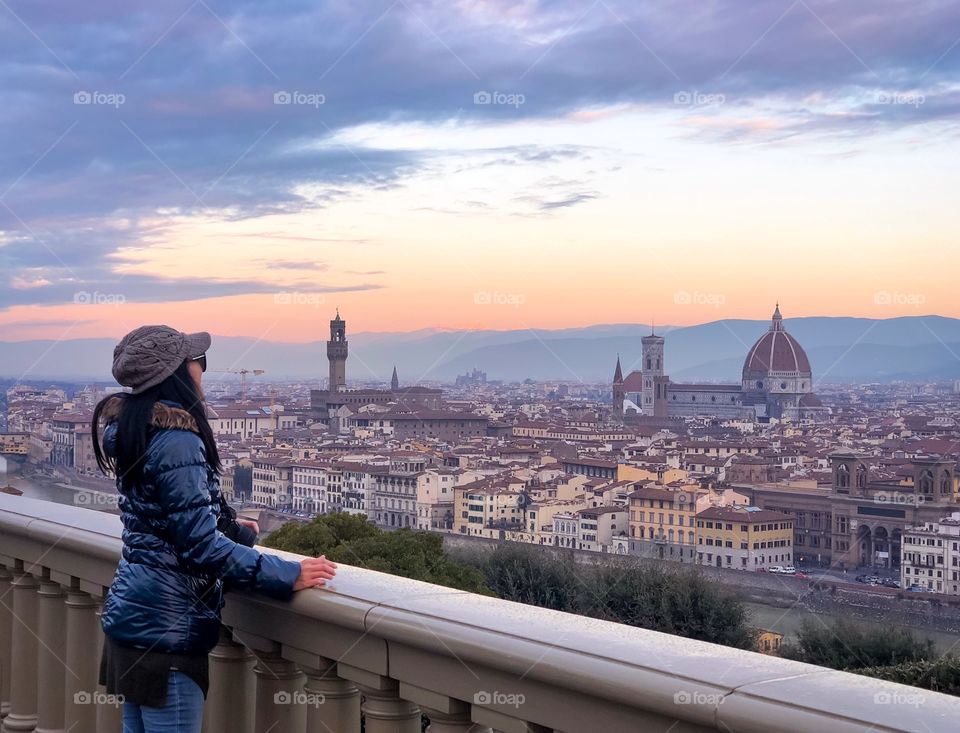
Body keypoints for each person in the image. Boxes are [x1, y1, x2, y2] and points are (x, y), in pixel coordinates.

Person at [92, 325, 337, 733]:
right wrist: (287, 573)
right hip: (168, 628)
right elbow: (199, 546)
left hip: (133, 612)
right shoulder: (175, 439)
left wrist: (228, 527)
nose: (203, 370)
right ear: (177, 373)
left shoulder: (134, 430)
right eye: (198, 361)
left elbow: (163, 519)